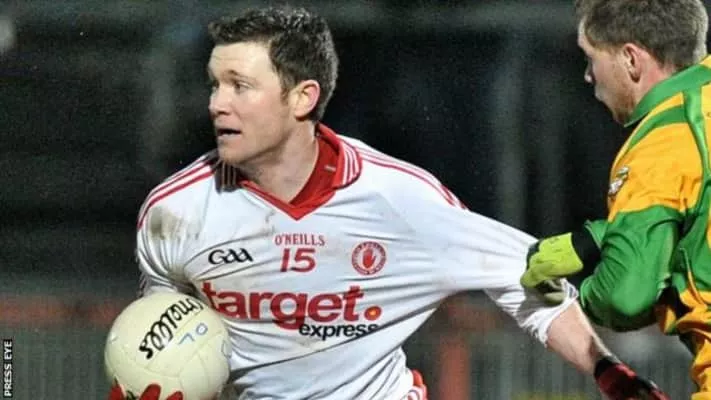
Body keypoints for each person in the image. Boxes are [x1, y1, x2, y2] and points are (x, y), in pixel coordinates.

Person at [110, 5, 668, 400]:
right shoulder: (174, 213)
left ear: (302, 98)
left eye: (239, 85)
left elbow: (523, 275)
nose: (216, 104)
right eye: (215, 84)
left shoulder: (400, 201)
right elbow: (170, 338)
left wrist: (608, 373)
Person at [520, 0, 711, 398]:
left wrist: (574, 297)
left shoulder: (662, 144)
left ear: (631, 60)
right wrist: (597, 238)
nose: (588, 75)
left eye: (591, 57)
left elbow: (625, 297)